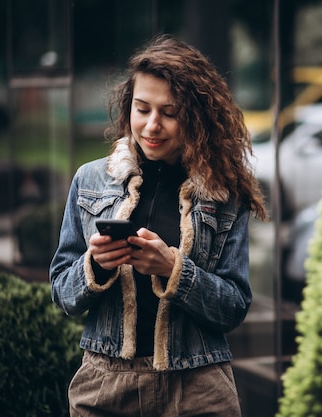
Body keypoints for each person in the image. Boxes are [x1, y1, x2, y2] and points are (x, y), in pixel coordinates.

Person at [50, 34, 267, 417]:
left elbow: (233, 307)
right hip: (106, 384)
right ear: (128, 107)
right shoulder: (91, 180)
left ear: (196, 117)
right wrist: (96, 264)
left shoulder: (221, 192)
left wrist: (173, 270)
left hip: (198, 387)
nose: (152, 125)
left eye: (169, 112)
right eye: (142, 108)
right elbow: (63, 295)